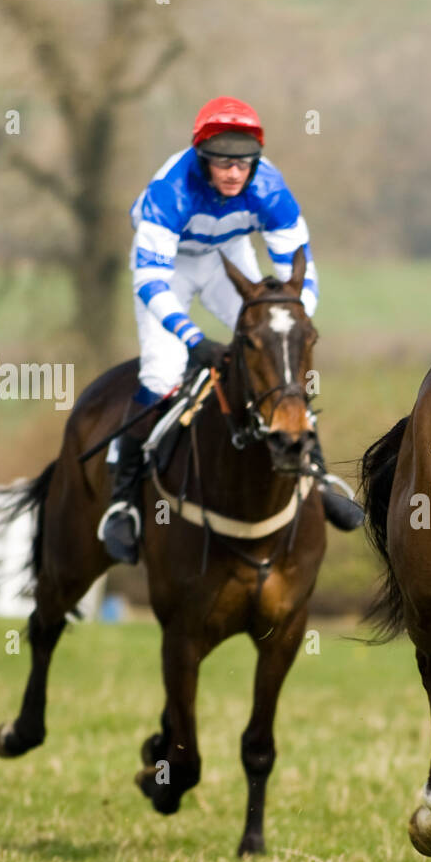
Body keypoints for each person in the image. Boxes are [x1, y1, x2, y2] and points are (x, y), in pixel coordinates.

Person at [99, 95, 362, 565]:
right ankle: (122, 500)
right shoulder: (171, 191)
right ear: (203, 158)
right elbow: (149, 281)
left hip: (227, 257)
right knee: (162, 374)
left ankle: (318, 475)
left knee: (278, 355)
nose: (234, 173)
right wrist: (193, 339)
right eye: (222, 162)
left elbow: (299, 266)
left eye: (243, 163)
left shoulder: (272, 189)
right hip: (170, 268)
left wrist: (292, 322)